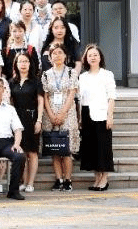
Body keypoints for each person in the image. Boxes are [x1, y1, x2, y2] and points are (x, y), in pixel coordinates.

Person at [42, 44, 79, 191]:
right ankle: (58, 179)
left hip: (68, 113)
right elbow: (45, 96)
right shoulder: (45, 74)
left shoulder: (71, 73)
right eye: (54, 53)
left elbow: (72, 94)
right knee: (55, 148)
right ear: (50, 57)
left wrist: (63, 112)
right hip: (50, 113)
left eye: (60, 53)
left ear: (65, 56)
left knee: (66, 149)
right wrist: (51, 114)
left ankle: (68, 180)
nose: (57, 56)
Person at [78, 44, 115, 191]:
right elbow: (80, 99)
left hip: (101, 114)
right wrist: (80, 118)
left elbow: (111, 97)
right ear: (86, 59)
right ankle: (97, 178)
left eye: (95, 55)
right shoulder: (83, 77)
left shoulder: (107, 74)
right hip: (86, 114)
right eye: (90, 55)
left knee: (103, 147)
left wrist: (110, 116)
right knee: (91, 148)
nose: (93, 57)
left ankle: (104, 179)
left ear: (100, 58)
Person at [9, 52, 43, 193]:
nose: (23, 64)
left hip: (32, 117)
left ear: (30, 64)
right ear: (16, 65)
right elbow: (10, 102)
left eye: (26, 61)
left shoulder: (36, 81)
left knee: (32, 152)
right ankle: (23, 181)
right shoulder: (12, 82)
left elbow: (40, 101)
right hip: (17, 119)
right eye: (20, 61)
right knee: (21, 151)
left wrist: (39, 120)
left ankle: (30, 183)